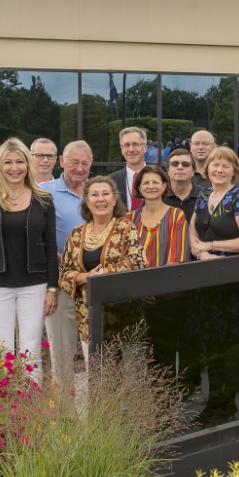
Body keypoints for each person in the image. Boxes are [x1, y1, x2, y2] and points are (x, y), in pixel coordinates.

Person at [0, 138, 59, 379]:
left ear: (27, 164)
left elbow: (51, 248)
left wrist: (53, 288)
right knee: (2, 353)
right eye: (8, 162)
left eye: (20, 161)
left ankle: (32, 412)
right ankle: (5, 410)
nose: (14, 167)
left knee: (31, 353)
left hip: (35, 285)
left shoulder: (43, 200)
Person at [187, 146, 239, 425]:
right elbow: (193, 232)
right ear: (207, 169)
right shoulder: (203, 195)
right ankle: (213, 402)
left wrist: (211, 247)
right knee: (211, 347)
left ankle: (226, 405)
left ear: (234, 170)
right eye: (215, 164)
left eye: (225, 166)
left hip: (233, 285)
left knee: (230, 348)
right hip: (207, 283)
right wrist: (200, 251)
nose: (219, 169)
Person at [58, 176, 147, 353]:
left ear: (114, 200)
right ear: (87, 201)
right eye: (94, 195)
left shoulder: (126, 228)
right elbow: (64, 274)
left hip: (125, 317)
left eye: (106, 194)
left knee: (128, 378)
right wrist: (85, 277)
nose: (100, 199)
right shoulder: (76, 233)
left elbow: (139, 262)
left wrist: (104, 273)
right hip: (89, 318)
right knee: (97, 376)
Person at [39, 139, 94, 383]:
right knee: (62, 356)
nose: (79, 168)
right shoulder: (44, 191)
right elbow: (35, 235)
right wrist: (57, 256)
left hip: (95, 283)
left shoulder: (98, 191)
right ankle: (64, 416)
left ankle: (98, 415)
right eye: (74, 162)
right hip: (62, 281)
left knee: (96, 356)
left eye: (85, 163)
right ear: (62, 162)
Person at [128, 164, 189, 267]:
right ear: (139, 188)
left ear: (164, 186)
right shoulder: (128, 219)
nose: (151, 186)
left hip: (167, 280)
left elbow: (176, 261)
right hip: (132, 281)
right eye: (146, 183)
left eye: (155, 182)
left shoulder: (176, 216)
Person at [110, 126, 148, 211]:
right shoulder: (110, 181)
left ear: (144, 148)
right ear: (121, 149)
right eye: (127, 145)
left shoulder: (162, 179)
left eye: (135, 144)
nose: (131, 149)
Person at [163, 148, 203, 226]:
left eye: (185, 164)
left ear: (193, 171)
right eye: (175, 164)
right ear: (167, 169)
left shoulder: (206, 196)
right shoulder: (156, 196)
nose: (180, 167)